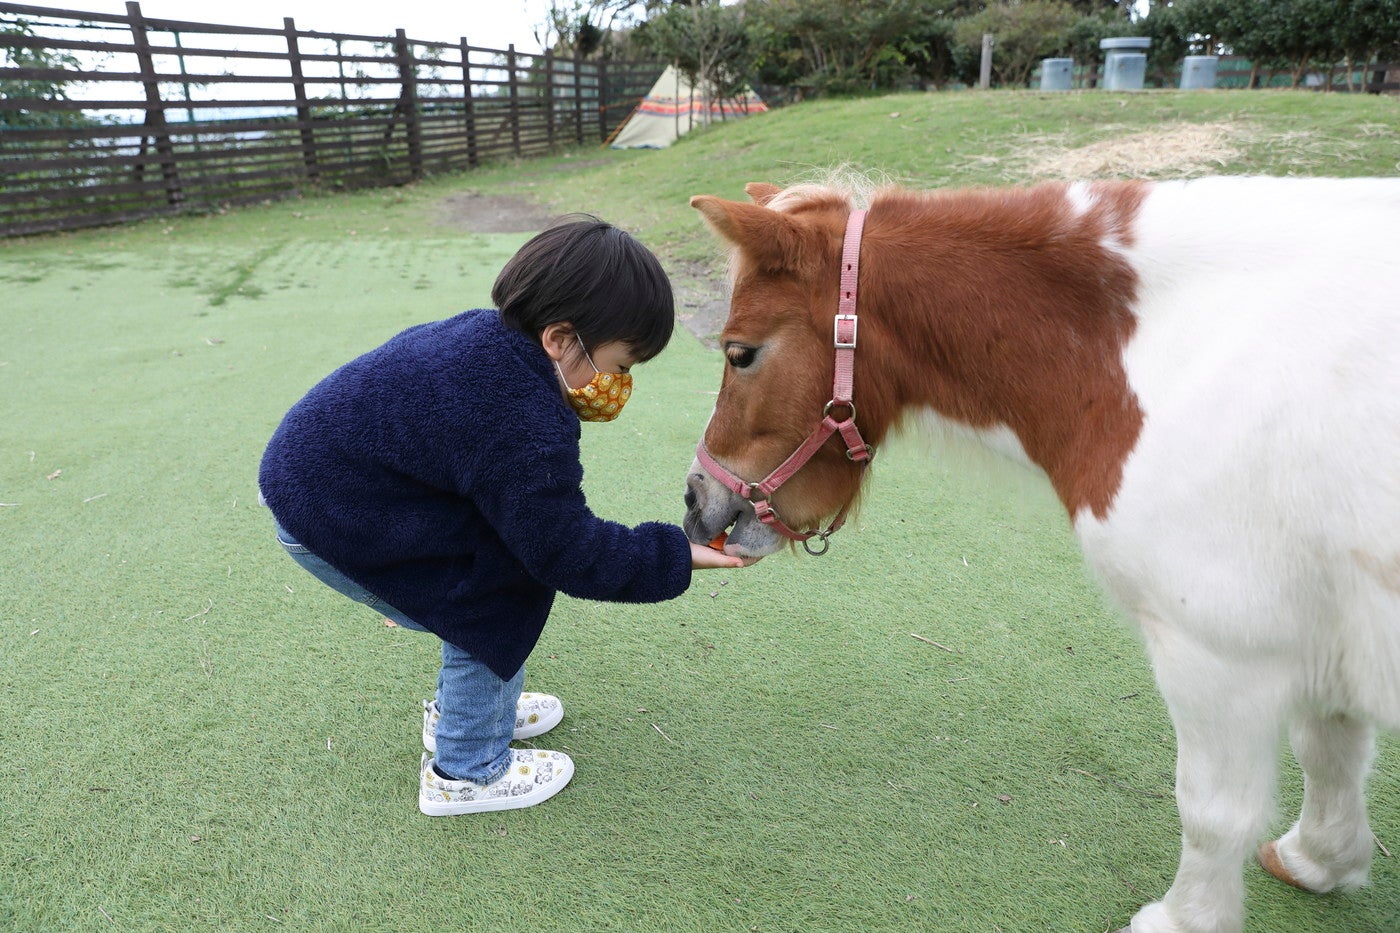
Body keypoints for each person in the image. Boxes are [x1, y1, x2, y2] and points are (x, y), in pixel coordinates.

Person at [258, 215, 747, 816]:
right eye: (619, 364)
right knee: (497, 593)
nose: (617, 384)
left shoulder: (488, 342)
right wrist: (673, 554)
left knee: (505, 556)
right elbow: (564, 549)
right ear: (561, 339)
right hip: (333, 512)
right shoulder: (518, 414)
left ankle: (473, 707)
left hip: (332, 483)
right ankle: (465, 770)